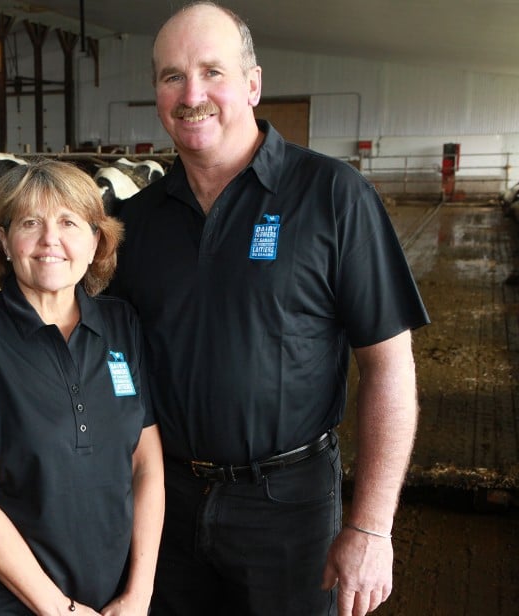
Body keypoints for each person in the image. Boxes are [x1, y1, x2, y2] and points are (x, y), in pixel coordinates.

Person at [107, 3, 430, 616]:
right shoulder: (136, 223)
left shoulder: (333, 196)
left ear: (253, 83)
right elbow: (107, 361)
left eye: (212, 72)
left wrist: (371, 526)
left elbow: (389, 366)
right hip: (163, 505)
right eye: (172, 76)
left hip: (289, 506)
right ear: (155, 92)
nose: (192, 92)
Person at [0, 159, 165, 615]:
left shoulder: (121, 325)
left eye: (69, 222)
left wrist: (139, 594)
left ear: (96, 242)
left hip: (110, 597)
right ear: (3, 241)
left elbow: (146, 463)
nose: (50, 239)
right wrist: (61, 610)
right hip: (4, 600)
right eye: (30, 223)